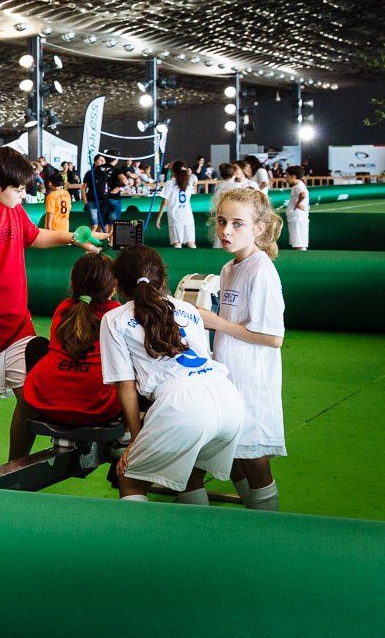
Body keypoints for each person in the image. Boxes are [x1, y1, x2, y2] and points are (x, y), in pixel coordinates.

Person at [0, 147, 105, 472]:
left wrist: (75, 238)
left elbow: (34, 235)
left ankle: (15, 468)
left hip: (18, 327)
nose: (24, 195)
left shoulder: (13, 210)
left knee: (30, 399)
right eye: (19, 189)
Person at [102, 246, 245, 505]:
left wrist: (135, 439)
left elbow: (125, 386)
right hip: (228, 398)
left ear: (118, 285)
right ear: (163, 280)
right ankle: (194, 532)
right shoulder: (189, 309)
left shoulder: (114, 319)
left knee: (130, 479)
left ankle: (135, 535)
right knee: (190, 474)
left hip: (182, 406)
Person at [200, 188, 287, 511]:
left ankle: (268, 524)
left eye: (238, 223)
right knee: (232, 451)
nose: (226, 230)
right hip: (229, 374)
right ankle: (252, 515)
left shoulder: (261, 270)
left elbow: (273, 337)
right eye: (222, 221)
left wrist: (215, 322)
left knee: (254, 458)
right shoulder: (229, 268)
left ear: (259, 229)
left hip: (253, 380)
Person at [22, 253, 120, 425]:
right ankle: (130, 433)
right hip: (100, 407)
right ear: (113, 288)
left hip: (45, 401)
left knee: (37, 346)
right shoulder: (118, 314)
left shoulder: (63, 308)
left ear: (73, 284)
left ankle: (21, 443)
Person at [153, 161, 197, 248]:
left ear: (173, 171)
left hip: (175, 217)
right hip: (188, 216)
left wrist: (158, 218)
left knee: (177, 243)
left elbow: (165, 202)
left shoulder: (169, 184)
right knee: (191, 243)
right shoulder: (188, 183)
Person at [283, 166, 310, 250]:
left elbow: (303, 194)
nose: (286, 178)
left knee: (299, 244)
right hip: (297, 217)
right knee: (299, 243)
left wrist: (298, 204)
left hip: (297, 218)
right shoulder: (298, 185)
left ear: (293, 176)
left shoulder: (298, 186)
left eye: (287, 176)